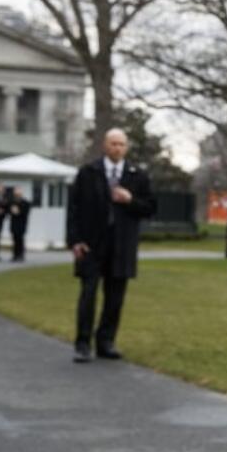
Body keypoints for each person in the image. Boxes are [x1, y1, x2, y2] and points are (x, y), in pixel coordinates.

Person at [67, 128, 157, 362]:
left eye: (121, 144)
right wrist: (75, 240)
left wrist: (130, 200)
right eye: (113, 144)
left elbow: (149, 209)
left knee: (115, 297)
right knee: (88, 294)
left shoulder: (137, 176)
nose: (117, 148)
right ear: (105, 146)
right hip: (91, 244)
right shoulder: (88, 173)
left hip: (122, 245)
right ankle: (83, 343)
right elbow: (74, 209)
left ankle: (106, 341)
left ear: (126, 148)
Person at [7, 187, 32, 261]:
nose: (17, 195)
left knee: (20, 240)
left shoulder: (26, 203)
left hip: (21, 224)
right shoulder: (11, 202)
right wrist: (12, 211)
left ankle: (21, 255)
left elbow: (26, 213)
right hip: (14, 224)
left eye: (18, 193)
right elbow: (8, 211)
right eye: (16, 193)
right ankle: (15, 255)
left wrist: (18, 212)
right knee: (14, 239)